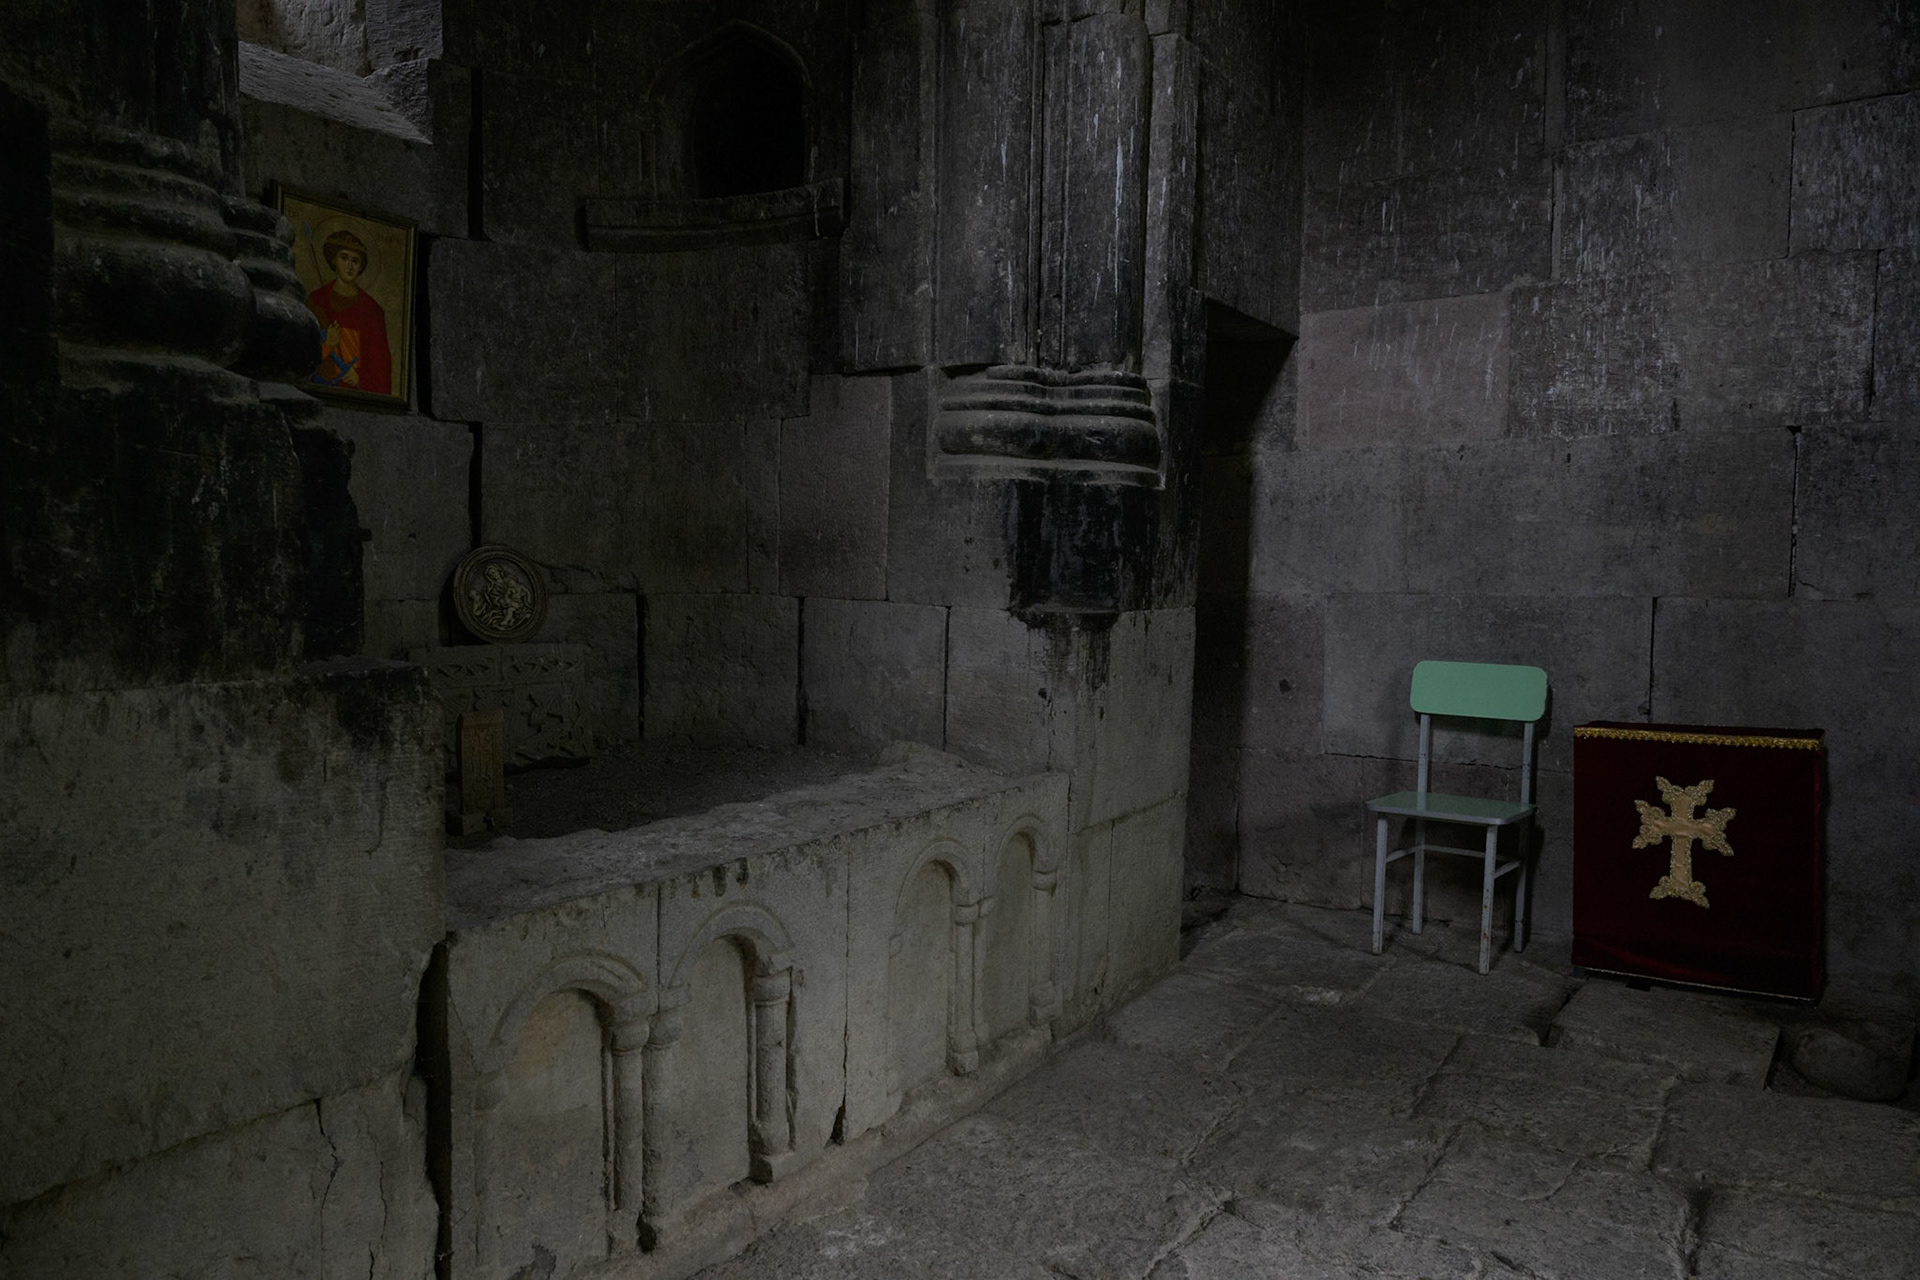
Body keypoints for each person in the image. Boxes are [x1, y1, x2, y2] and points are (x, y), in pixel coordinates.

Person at [306, 230, 393, 394]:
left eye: (355, 261)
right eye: (344, 258)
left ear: (361, 266)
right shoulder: (317, 301)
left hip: (353, 393)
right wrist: (327, 345)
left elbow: (380, 365)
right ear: (334, 260)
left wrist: (360, 379)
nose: (350, 266)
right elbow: (302, 353)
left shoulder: (372, 310)